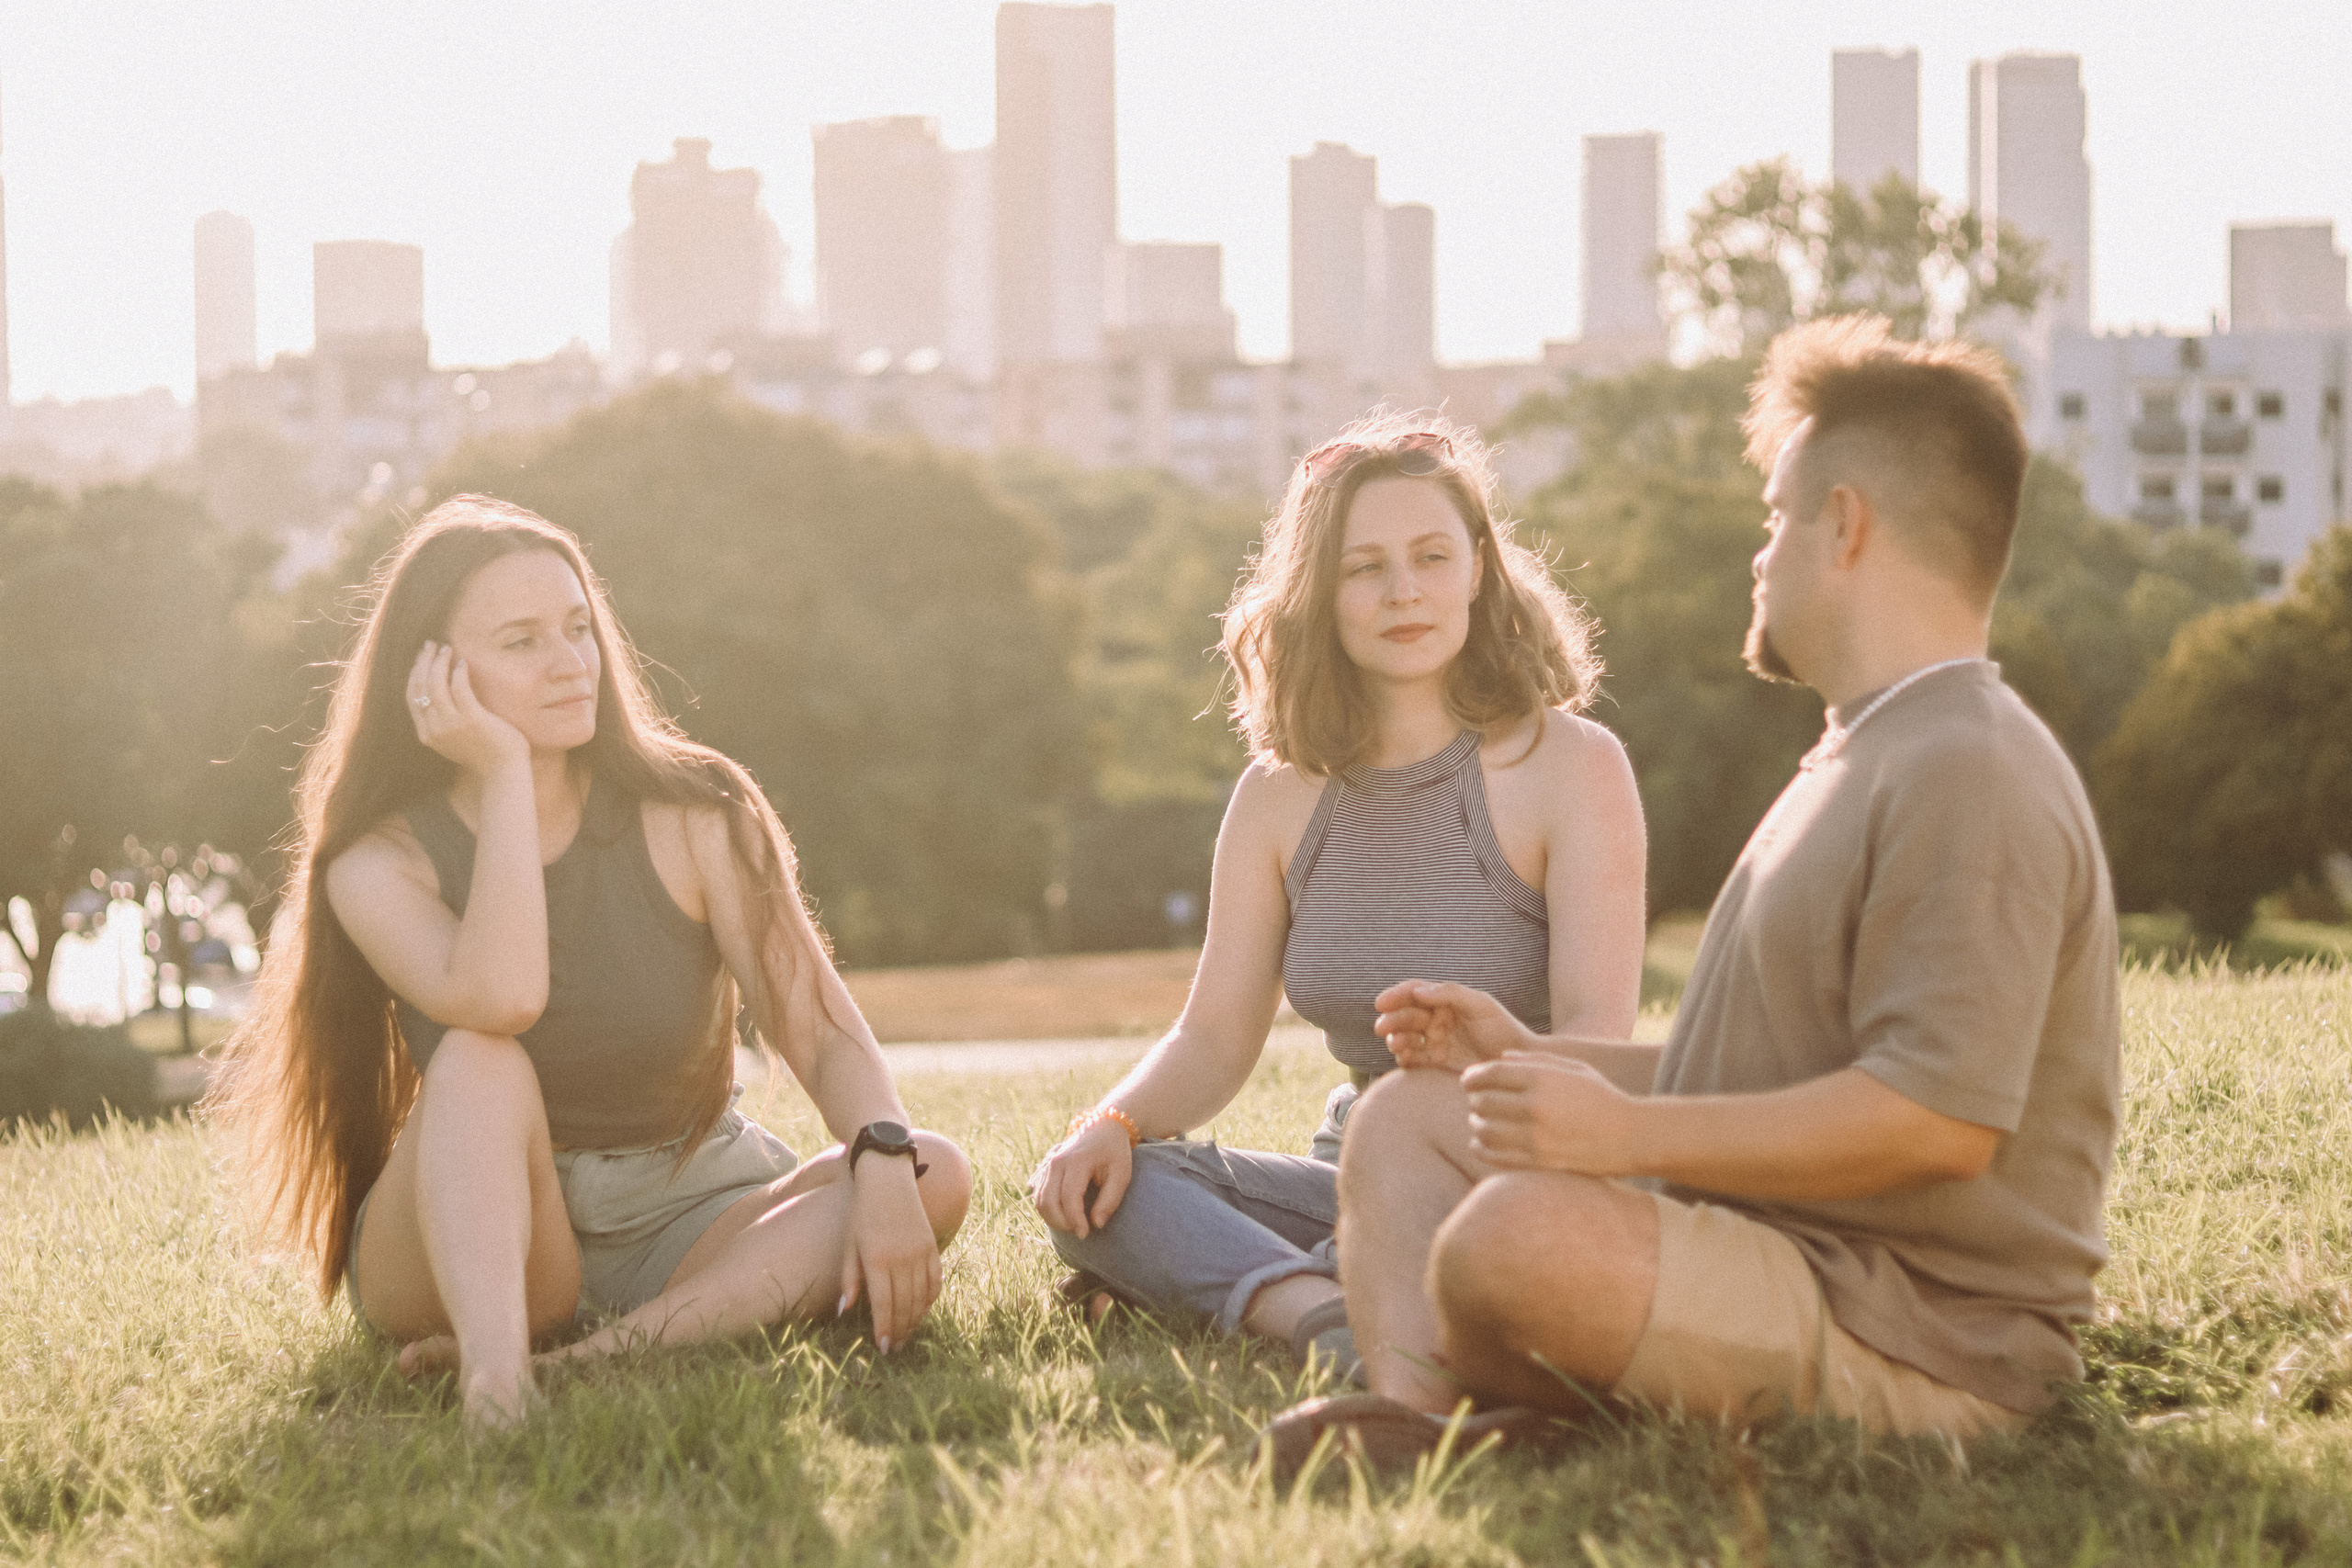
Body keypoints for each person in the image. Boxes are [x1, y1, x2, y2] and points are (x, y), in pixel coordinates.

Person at [1261, 315, 2121, 1475]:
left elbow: (1935, 1123)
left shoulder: (1963, 766)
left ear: (1844, 526)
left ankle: (1493, 1402)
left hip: (1916, 1330)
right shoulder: (1859, 753)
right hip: (1782, 1244)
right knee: (1410, 1118)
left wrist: (1629, 1133)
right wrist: (1535, 1057)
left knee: (1516, 1242)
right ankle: (1430, 1429)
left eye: (1774, 519)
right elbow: (1772, 1082)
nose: (1759, 556)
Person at [210, 496, 972, 1428]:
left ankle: (591, 1362)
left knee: (930, 1167)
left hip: (689, 1216)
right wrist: (499, 774)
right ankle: (498, 1382)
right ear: (432, 673)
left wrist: (883, 1167)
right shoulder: (377, 862)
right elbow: (502, 996)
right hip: (482, 1237)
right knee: (484, 1055)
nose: (572, 662)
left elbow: (816, 1030)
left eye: (578, 628)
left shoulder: (698, 810)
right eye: (522, 641)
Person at [1027, 416, 1647, 1377]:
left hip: (1508, 1165)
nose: (1402, 590)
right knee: (1118, 1192)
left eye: (1430, 556)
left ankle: (1306, 1284)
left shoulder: (1570, 765)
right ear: (1322, 591)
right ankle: (1327, 1316)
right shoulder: (1279, 794)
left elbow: (1598, 1045)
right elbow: (1212, 1037)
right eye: (1365, 568)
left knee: (1472, 1239)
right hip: (1346, 1168)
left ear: (1477, 570)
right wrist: (1107, 1127)